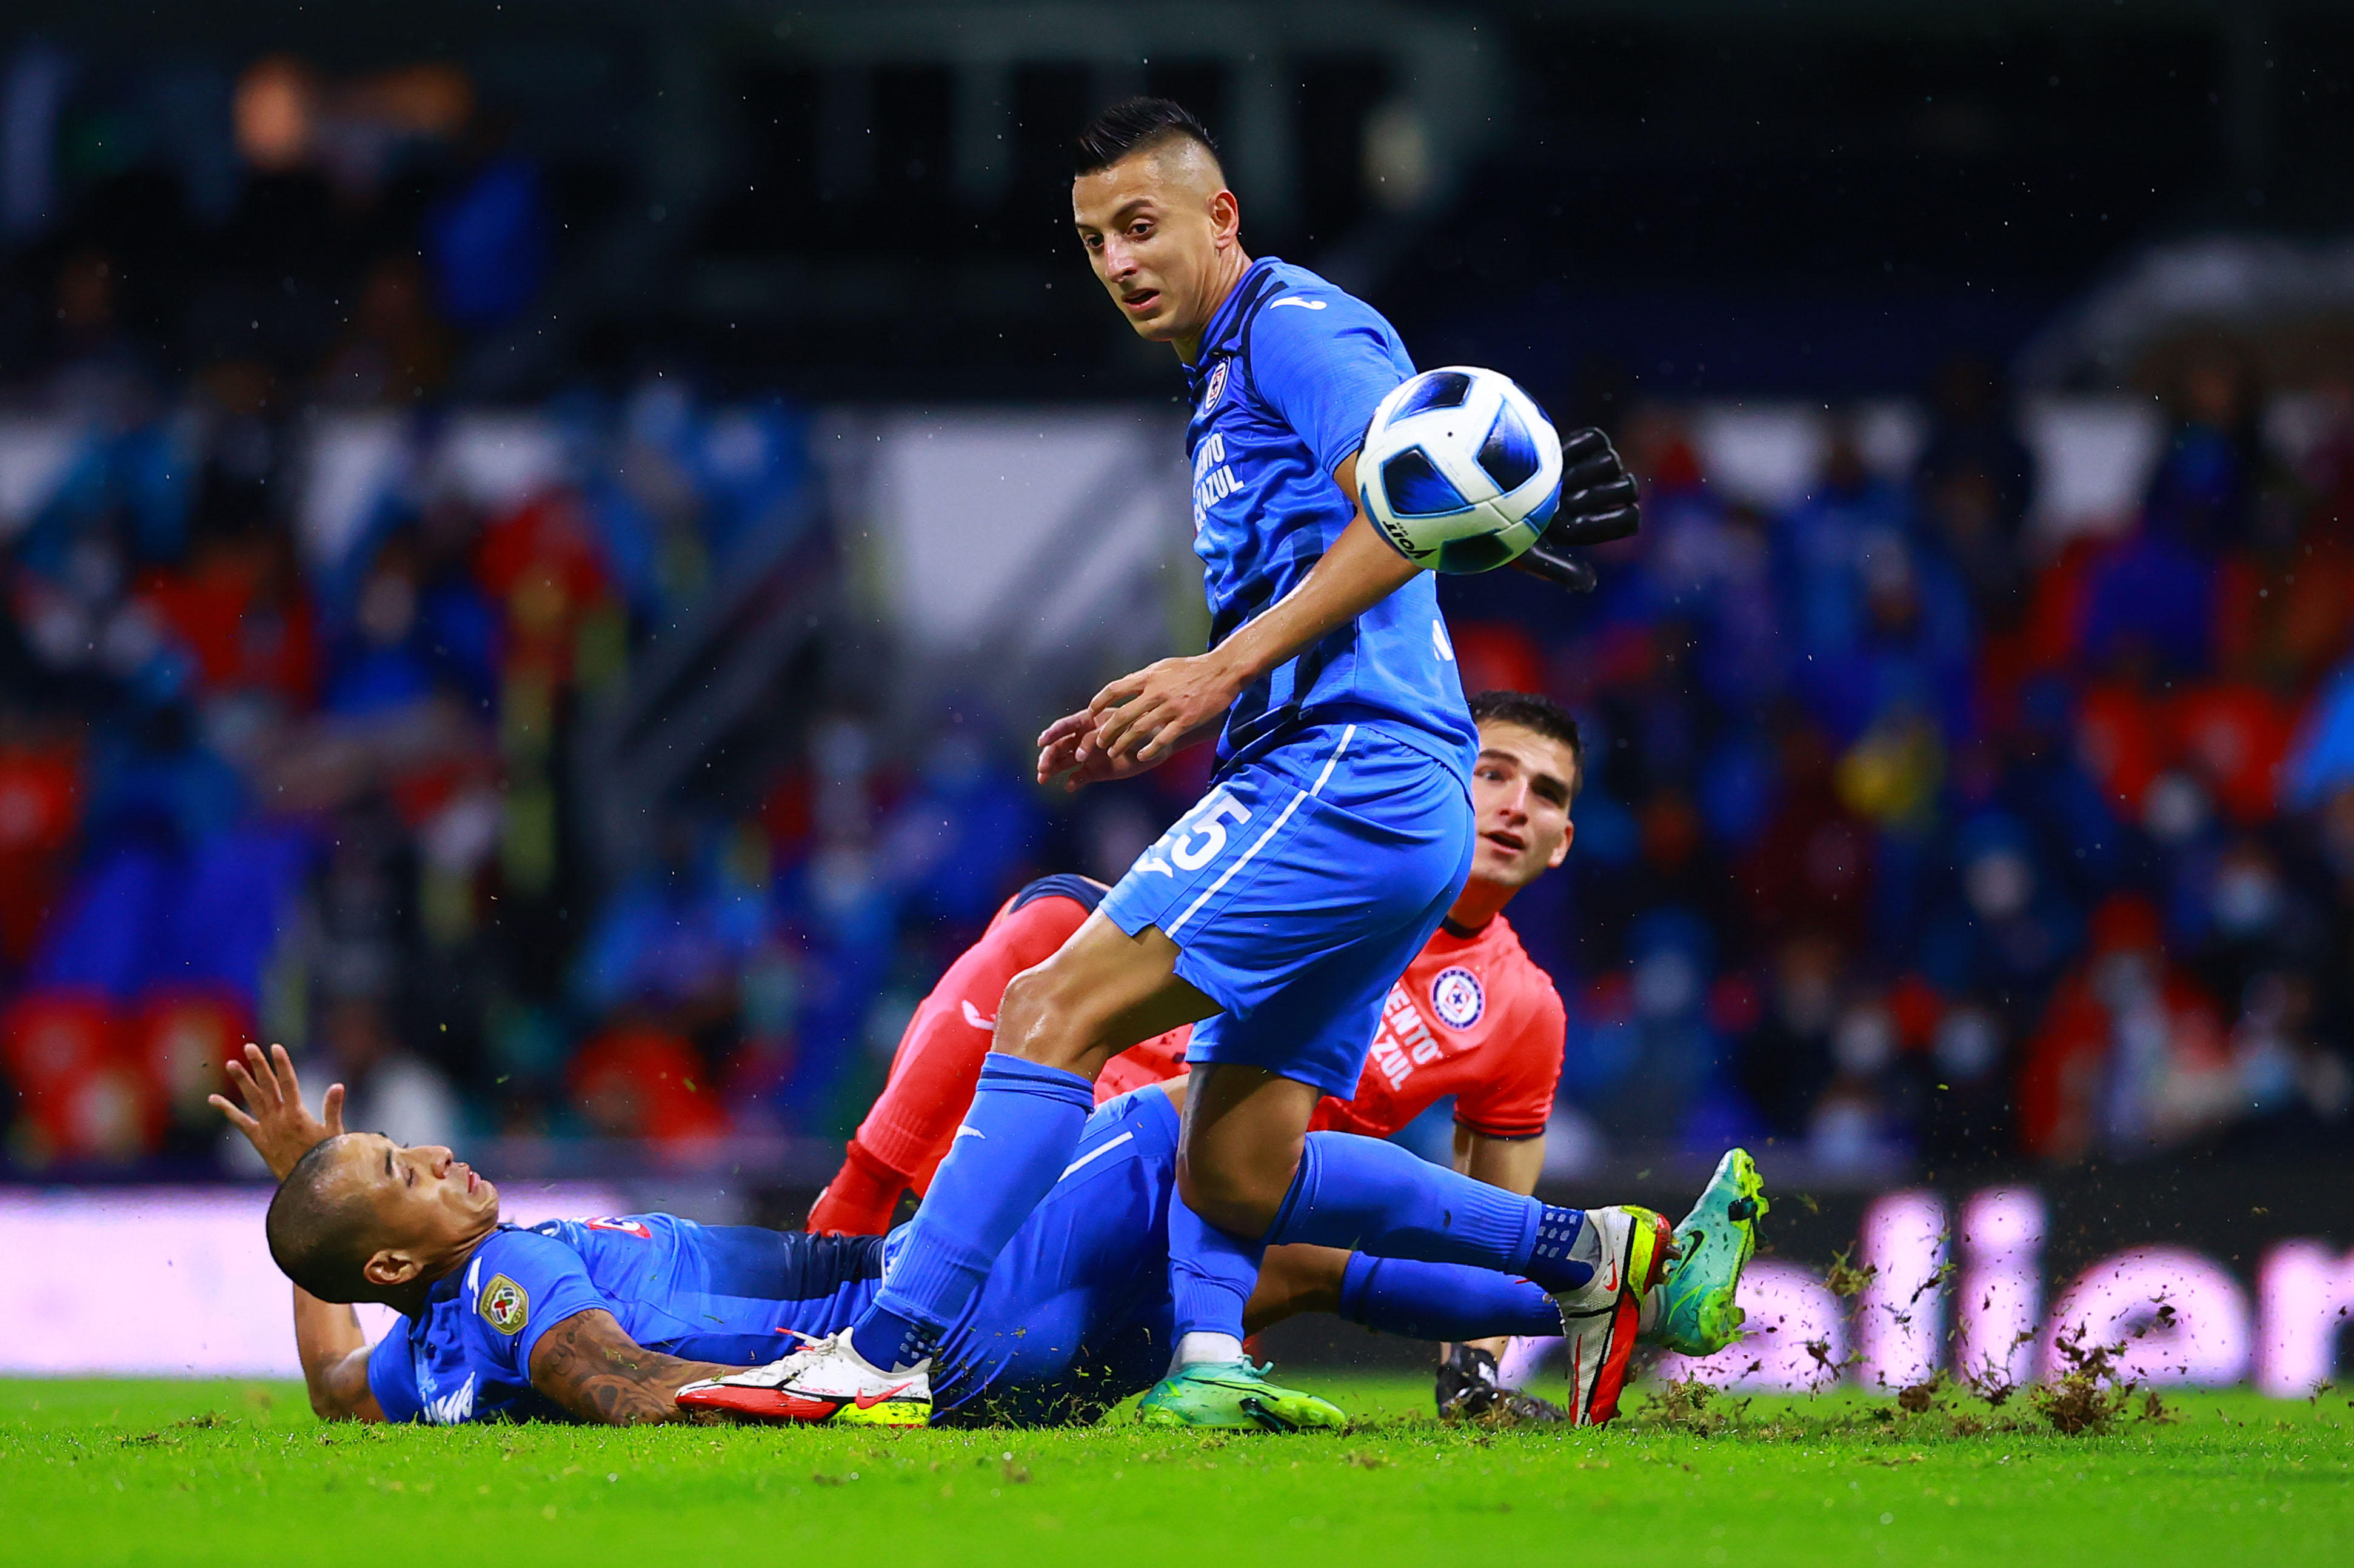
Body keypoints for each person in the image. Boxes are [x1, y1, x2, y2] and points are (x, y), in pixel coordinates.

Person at [743, 96, 1648, 1431]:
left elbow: (1401, 517)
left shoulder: (1293, 325)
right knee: (1233, 1172)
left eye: (1140, 225)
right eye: (1093, 238)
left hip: (1349, 768)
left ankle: (882, 1349)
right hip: (1380, 794)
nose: (1116, 261)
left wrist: (1215, 673)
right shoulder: (1227, 370)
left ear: (1220, 216)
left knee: (1054, 1002)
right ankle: (1587, 1258)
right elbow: (1419, 500)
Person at [211, 1042, 1762, 1429]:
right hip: (924, 1343)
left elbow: (339, 1390)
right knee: (1181, 1114)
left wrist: (305, 1187)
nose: (440, 1155)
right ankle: (1589, 1251)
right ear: (408, 1253)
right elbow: (607, 1374)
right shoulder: (503, 1271)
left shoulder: (419, 1355)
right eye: (406, 1171)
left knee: (1257, 1251)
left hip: (938, 1342)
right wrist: (790, 1405)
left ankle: (1579, 1315)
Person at [811, 690, 1594, 1418]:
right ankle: (847, 1236)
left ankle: (1202, 1340)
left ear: (1563, 843)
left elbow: (1499, 1220)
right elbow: (1079, 927)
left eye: (1548, 794)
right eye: (1493, 772)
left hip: (1229, 1227)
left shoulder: (1523, 1011)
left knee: (1291, 1218)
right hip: (1106, 1132)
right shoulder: (1329, 868)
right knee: (1055, 914)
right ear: (1445, 777)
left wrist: (1474, 1369)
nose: (1516, 806)